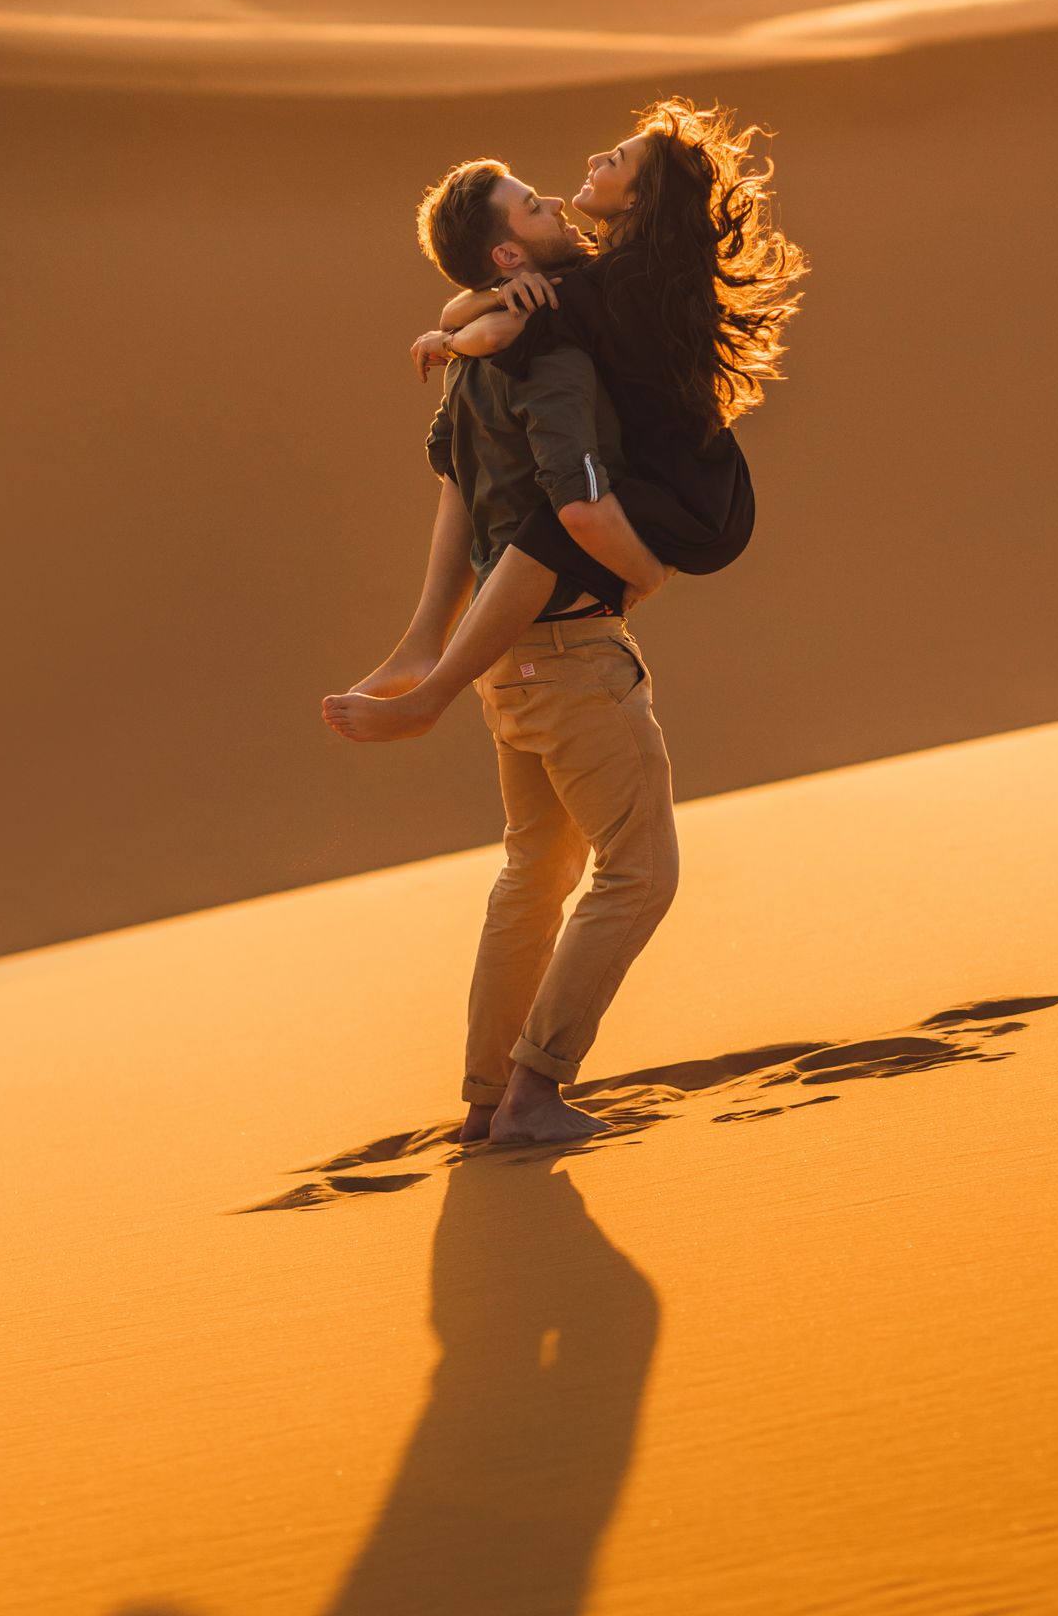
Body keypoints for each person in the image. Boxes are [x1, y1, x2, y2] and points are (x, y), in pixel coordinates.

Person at [319, 102, 804, 1148]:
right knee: (641, 873)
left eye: (600, 168)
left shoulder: (492, 357)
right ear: (509, 248)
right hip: (566, 648)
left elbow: (457, 491)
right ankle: (537, 1089)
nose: (566, 184)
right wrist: (645, 579)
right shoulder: (565, 354)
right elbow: (573, 510)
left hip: (504, 663)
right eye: (534, 202)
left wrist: (463, 324)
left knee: (535, 871)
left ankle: (487, 1096)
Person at [323, 99, 805, 744]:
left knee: (561, 513)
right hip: (684, 483)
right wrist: (488, 304)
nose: (589, 161)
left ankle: (430, 695)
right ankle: (420, 646)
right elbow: (479, 306)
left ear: (638, 198)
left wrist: (452, 341)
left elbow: (497, 332)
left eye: (613, 161)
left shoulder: (629, 277)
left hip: (690, 496)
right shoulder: (614, 265)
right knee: (481, 466)